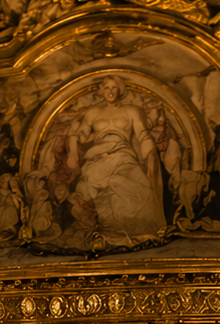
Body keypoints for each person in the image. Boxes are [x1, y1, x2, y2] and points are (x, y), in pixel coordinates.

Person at [61, 76, 166, 239]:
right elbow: (79, 135)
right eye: (107, 88)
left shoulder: (131, 111)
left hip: (123, 154)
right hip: (98, 156)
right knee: (89, 191)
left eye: (114, 88)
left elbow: (143, 135)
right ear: (102, 91)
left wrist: (150, 153)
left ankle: (129, 230)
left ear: (120, 90)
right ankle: (105, 230)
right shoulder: (93, 112)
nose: (110, 91)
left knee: (138, 187)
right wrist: (74, 151)